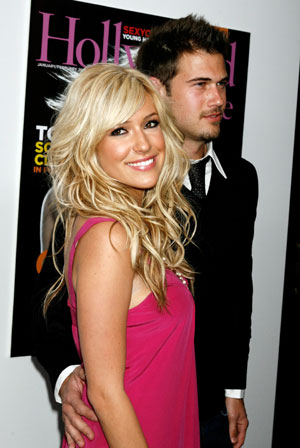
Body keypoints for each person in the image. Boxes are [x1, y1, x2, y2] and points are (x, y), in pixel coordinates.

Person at [32, 14, 258, 448]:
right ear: (159, 88)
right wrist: (68, 375)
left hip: (202, 404)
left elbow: (237, 289)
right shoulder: (115, 201)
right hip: (134, 416)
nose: (217, 99)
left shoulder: (240, 179)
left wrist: (235, 389)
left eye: (221, 83)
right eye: (199, 85)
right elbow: (50, 296)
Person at [43, 62, 200, 447]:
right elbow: (106, 393)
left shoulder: (133, 224)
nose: (143, 144)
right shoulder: (109, 238)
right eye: (119, 131)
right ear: (89, 143)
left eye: (150, 123)